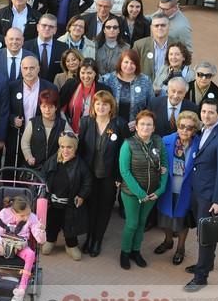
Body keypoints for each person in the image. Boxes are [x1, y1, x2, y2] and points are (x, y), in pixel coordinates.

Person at [184, 98, 218, 292]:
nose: (206, 115)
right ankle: (206, 264)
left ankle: (201, 277)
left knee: (205, 235)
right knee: (202, 231)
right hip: (198, 190)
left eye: (211, 113)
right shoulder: (204, 130)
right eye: (204, 111)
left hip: (209, 195)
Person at [77, 91, 128, 257]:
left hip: (109, 175)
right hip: (89, 175)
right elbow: (81, 150)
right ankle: (89, 238)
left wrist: (120, 177)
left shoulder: (119, 124)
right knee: (91, 207)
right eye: (98, 103)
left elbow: (125, 152)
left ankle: (97, 240)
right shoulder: (86, 122)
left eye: (105, 104)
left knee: (104, 208)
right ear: (93, 106)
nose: (101, 107)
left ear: (111, 106)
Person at [118, 110, 168, 270]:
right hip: (132, 193)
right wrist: (140, 193)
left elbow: (165, 167)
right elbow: (124, 171)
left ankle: (136, 251)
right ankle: (125, 252)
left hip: (152, 193)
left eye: (149, 125)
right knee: (132, 223)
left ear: (154, 128)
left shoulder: (158, 142)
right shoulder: (128, 144)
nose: (146, 127)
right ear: (136, 127)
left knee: (141, 223)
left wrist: (160, 190)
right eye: (142, 124)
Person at [156, 111, 200, 266]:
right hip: (168, 188)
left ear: (194, 130)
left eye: (189, 128)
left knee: (182, 222)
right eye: (182, 126)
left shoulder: (199, 145)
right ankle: (168, 241)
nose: (185, 130)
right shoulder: (166, 140)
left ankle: (180, 248)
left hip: (186, 191)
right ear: (177, 126)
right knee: (164, 219)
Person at [0, 195, 46, 301]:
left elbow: (40, 240)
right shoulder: (4, 213)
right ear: (13, 211)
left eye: (28, 214)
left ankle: (21, 290)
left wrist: (41, 231)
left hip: (20, 247)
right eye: (22, 215)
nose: (26, 218)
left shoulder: (32, 217)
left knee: (31, 254)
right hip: (3, 245)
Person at [41, 132, 92, 261]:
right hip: (53, 202)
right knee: (52, 223)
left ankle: (71, 245)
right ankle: (50, 240)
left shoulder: (80, 164)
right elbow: (43, 174)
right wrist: (44, 190)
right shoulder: (53, 160)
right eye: (62, 147)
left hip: (70, 205)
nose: (65, 150)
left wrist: (81, 195)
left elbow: (87, 181)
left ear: (75, 148)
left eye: (69, 147)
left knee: (70, 226)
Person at [6, 56, 56, 168]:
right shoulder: (11, 87)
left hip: (40, 138)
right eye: (25, 68)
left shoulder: (49, 87)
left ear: (38, 69)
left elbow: (54, 111)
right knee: (12, 170)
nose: (28, 71)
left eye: (32, 68)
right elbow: (5, 110)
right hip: (16, 136)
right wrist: (13, 119)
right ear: (21, 69)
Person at [101, 50, 154, 132]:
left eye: (133, 63)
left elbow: (151, 106)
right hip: (111, 128)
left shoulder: (145, 81)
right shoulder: (108, 80)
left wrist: (139, 121)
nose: (129, 66)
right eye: (126, 62)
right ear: (120, 63)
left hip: (137, 129)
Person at [21, 89, 72, 171]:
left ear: (56, 107)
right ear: (40, 107)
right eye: (44, 106)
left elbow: (71, 142)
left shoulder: (63, 124)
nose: (47, 110)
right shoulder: (33, 123)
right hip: (35, 167)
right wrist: (29, 157)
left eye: (50, 107)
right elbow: (25, 142)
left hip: (55, 168)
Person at [59, 58, 112, 133]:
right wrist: (68, 129)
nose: (86, 76)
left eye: (89, 73)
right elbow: (60, 108)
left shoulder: (104, 89)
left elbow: (109, 113)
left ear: (95, 73)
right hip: (69, 130)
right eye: (83, 73)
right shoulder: (70, 85)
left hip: (94, 132)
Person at [23, 13, 67, 82]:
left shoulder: (63, 48)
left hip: (54, 88)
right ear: (38, 27)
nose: (47, 28)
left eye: (51, 26)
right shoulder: (25, 46)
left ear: (55, 30)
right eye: (44, 25)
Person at [132, 14, 175, 82]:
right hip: (146, 87)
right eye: (156, 26)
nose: (159, 28)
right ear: (151, 28)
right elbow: (132, 68)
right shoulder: (139, 45)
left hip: (170, 89)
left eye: (163, 25)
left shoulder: (177, 45)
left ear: (169, 26)